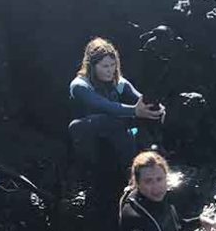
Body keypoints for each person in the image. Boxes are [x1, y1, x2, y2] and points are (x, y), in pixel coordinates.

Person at [68, 38, 165, 179]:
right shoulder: (79, 86)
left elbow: (139, 99)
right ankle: (100, 172)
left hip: (117, 134)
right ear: (92, 66)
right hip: (88, 133)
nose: (110, 71)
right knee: (110, 120)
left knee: (143, 119)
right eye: (105, 66)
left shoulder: (118, 82)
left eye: (113, 65)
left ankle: (151, 161)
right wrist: (134, 111)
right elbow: (104, 106)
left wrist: (155, 108)